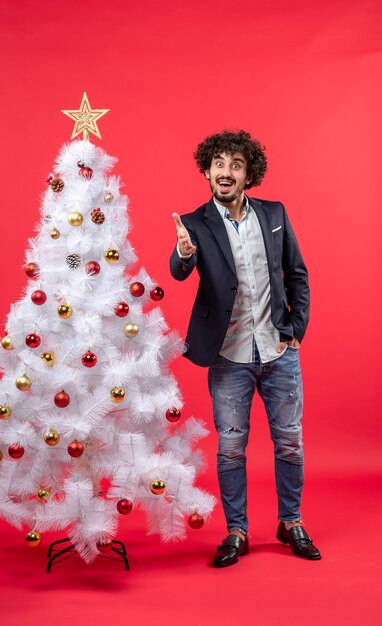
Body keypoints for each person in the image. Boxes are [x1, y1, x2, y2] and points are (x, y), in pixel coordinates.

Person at [170, 130, 321, 567]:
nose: (226, 172)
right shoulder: (195, 223)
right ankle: (237, 530)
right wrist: (183, 253)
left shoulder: (274, 214)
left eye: (236, 164)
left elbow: (297, 274)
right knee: (232, 447)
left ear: (247, 173)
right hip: (227, 355)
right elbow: (179, 270)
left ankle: (290, 522)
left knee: (290, 442)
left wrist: (297, 328)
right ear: (206, 171)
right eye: (218, 163)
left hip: (278, 351)